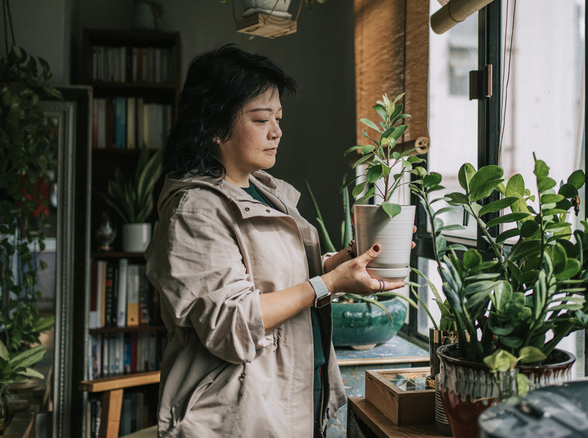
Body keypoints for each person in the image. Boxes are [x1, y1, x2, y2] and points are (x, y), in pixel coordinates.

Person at [145, 45, 407, 437]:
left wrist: (352, 259)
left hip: (297, 392)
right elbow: (230, 323)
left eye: (279, 118)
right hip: (240, 412)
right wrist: (330, 285)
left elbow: (287, 281)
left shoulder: (268, 192)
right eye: (261, 118)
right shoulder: (194, 211)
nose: (277, 131)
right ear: (215, 126)